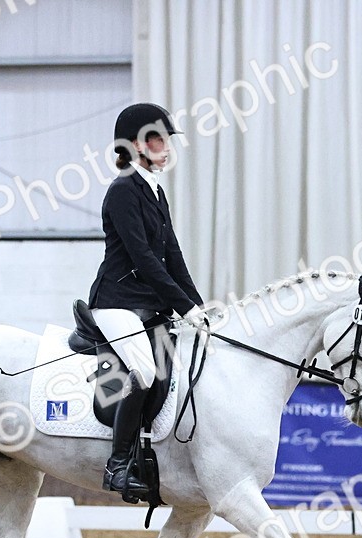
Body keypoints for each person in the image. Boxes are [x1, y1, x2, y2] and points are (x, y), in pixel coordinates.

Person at [88, 102, 209, 500]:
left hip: (147, 306)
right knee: (142, 370)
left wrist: (198, 305)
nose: (166, 146)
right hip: (117, 303)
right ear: (136, 145)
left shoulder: (154, 190)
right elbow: (142, 259)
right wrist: (184, 308)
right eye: (157, 139)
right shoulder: (124, 190)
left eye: (166, 139)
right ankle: (118, 465)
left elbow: (172, 256)